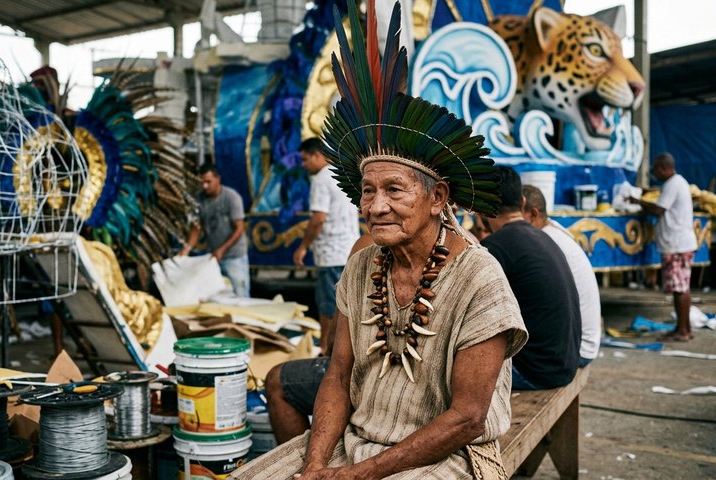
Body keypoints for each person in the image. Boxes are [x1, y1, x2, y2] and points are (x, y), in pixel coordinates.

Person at [232, 2, 527, 477]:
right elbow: (338, 374)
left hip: (451, 457)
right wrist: (315, 464)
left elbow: (468, 418)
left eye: (394, 190)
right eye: (368, 191)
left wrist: (358, 475)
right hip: (357, 441)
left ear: (438, 198)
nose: (375, 206)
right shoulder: (361, 266)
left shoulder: (479, 278)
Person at [266, 234, 374, 445]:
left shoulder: (366, 247)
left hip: (370, 378)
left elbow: (335, 343)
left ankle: (297, 464)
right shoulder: (457, 245)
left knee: (277, 380)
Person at [480, 167, 581, 390]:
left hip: (534, 374)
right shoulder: (544, 237)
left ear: (481, 209)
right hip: (565, 366)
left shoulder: (495, 247)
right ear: (523, 203)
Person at [293, 137, 361, 355]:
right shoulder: (341, 176)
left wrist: (303, 246)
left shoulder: (321, 180)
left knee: (328, 305)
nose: (304, 165)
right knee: (347, 303)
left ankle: (325, 349)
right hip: (349, 250)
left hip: (331, 253)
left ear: (317, 155)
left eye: (305, 160)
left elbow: (318, 218)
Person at [522, 184, 601, 367]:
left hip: (576, 350)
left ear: (533, 215)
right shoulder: (552, 231)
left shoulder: (542, 242)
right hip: (581, 344)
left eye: (516, 216)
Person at [627, 153, 698, 341]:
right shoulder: (674, 183)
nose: (654, 173)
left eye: (656, 170)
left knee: (680, 289)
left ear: (664, 168)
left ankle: (683, 331)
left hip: (677, 245)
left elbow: (659, 209)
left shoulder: (674, 183)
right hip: (677, 244)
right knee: (680, 288)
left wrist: (638, 202)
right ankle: (684, 328)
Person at [180, 163, 250, 297]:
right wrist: (187, 248)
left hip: (234, 256)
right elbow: (196, 227)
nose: (204, 186)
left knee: (241, 295)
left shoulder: (231, 197)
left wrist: (222, 249)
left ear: (218, 179)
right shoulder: (198, 200)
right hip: (214, 257)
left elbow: (239, 228)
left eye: (208, 182)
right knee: (216, 296)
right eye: (202, 182)